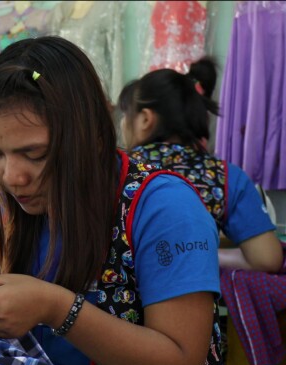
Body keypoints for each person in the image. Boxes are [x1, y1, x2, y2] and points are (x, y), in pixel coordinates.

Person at [0, 36, 225, 365]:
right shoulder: (21, 208)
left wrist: (57, 307)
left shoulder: (164, 208)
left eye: (34, 154)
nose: (12, 175)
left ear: (85, 135)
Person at [118, 58, 284, 273]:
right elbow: (267, 259)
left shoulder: (118, 169)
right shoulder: (224, 176)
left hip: (114, 304)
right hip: (194, 300)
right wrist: (203, 253)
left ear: (145, 119)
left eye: (125, 115)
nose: (122, 123)